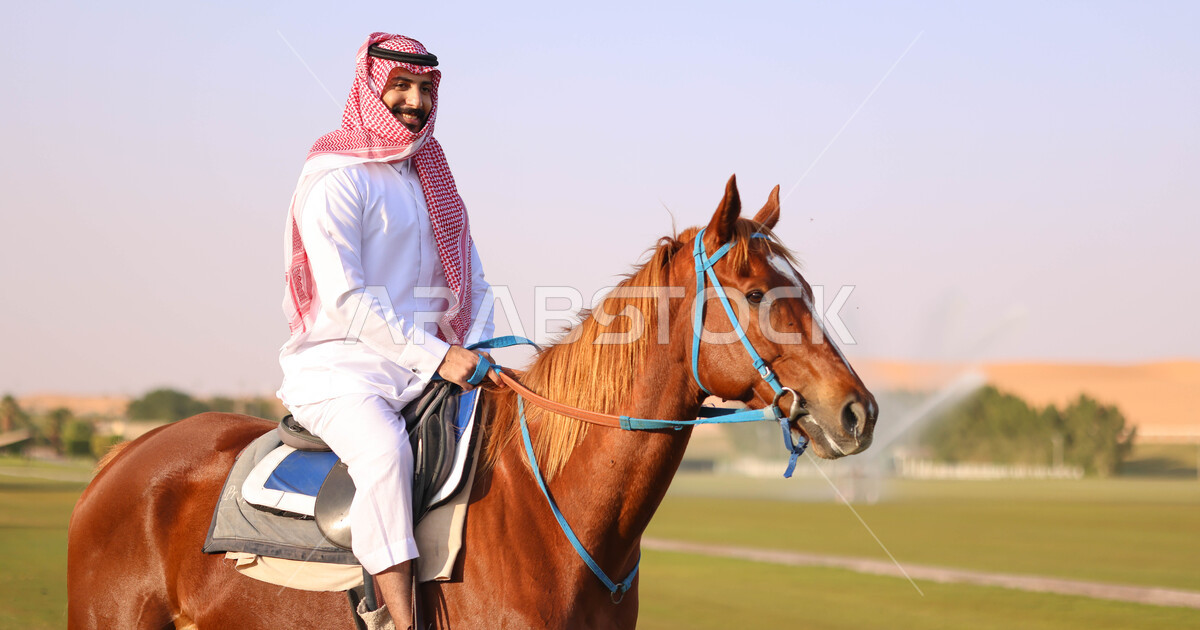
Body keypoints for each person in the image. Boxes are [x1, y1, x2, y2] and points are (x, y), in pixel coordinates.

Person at [276, 32, 495, 628]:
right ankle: (400, 619)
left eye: (425, 89)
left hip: (429, 365)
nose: (414, 101)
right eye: (400, 85)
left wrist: (490, 348)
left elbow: (470, 276)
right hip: (341, 369)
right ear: (371, 88)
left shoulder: (430, 175)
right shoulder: (335, 176)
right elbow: (347, 299)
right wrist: (437, 355)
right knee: (383, 452)